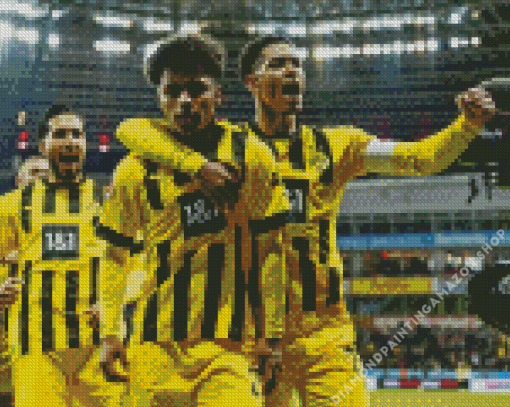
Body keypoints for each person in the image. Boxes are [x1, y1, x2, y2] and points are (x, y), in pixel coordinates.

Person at [238, 35, 497, 406]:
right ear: (251, 82)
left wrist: (467, 126)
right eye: (278, 64)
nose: (292, 70)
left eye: (297, 63)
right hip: (253, 337)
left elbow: (418, 159)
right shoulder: (228, 149)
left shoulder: (337, 146)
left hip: (325, 336)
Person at [95, 34, 290, 406]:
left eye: (197, 89)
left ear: (218, 95)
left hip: (229, 348)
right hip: (153, 346)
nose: (184, 101)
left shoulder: (251, 156)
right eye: (173, 91)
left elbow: (270, 251)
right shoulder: (135, 169)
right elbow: (115, 256)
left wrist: (273, 336)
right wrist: (110, 332)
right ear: (159, 98)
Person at [0, 105, 124, 407]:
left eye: (76, 134)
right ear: (43, 147)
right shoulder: (13, 205)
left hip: (97, 346)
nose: (69, 142)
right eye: (60, 135)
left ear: (85, 144)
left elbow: (135, 263)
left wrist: (112, 304)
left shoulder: (108, 203)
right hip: (36, 348)